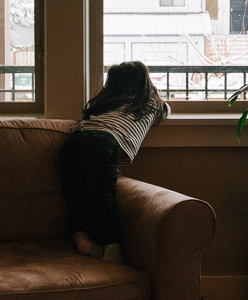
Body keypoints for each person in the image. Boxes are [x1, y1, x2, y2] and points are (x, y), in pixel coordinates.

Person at [59, 61, 170, 264]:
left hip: (73, 142)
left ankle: (81, 238)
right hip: (102, 142)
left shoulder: (102, 106)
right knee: (103, 196)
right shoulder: (149, 103)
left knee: (76, 194)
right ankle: (112, 248)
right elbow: (166, 109)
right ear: (144, 82)